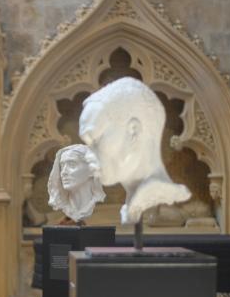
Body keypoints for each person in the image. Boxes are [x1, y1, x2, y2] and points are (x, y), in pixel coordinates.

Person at [78, 77, 190, 224]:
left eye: (95, 140)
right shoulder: (132, 204)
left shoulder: (162, 202)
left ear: (133, 131)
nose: (87, 155)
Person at [47, 144, 106, 223]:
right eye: (62, 166)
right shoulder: (65, 208)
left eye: (72, 164)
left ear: (91, 170)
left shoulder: (99, 211)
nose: (63, 172)